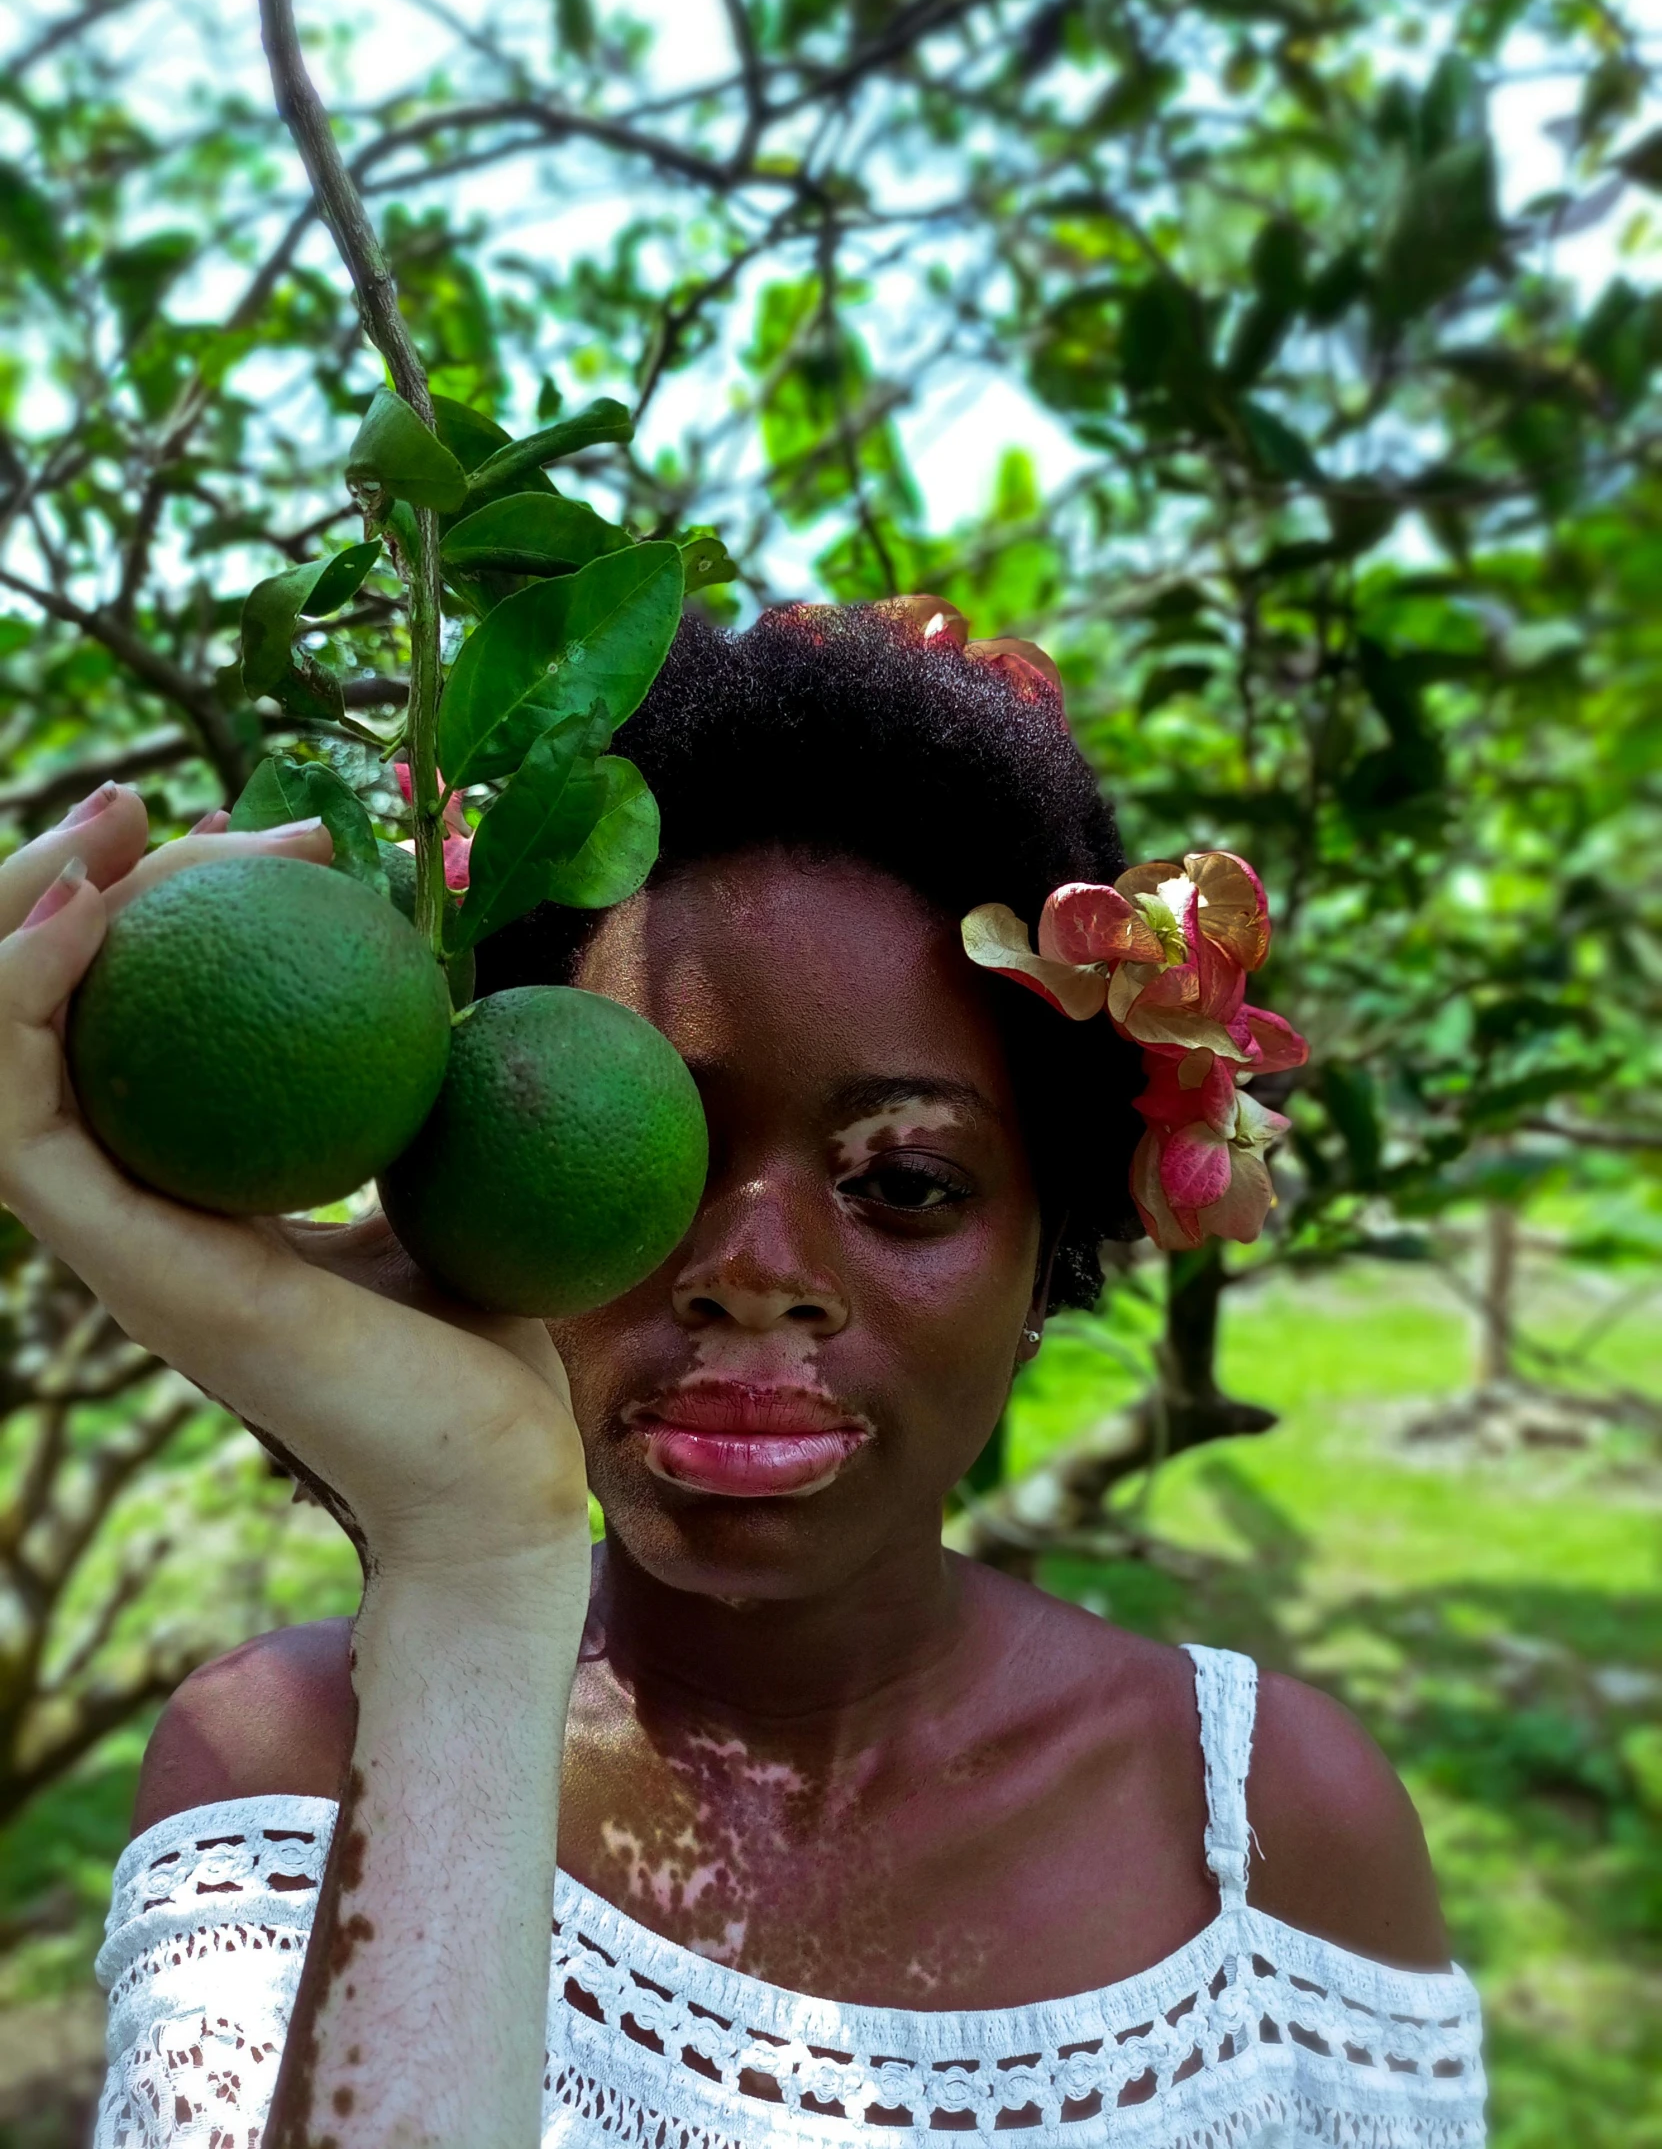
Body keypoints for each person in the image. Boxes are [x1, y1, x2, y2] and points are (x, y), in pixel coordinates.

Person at [0, 601, 1484, 2148]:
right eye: (659, 1146)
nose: (753, 1271)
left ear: (1050, 1255)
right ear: (468, 1179)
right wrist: (466, 1563)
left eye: (906, 1182)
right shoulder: (289, 1773)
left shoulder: (1275, 1830)